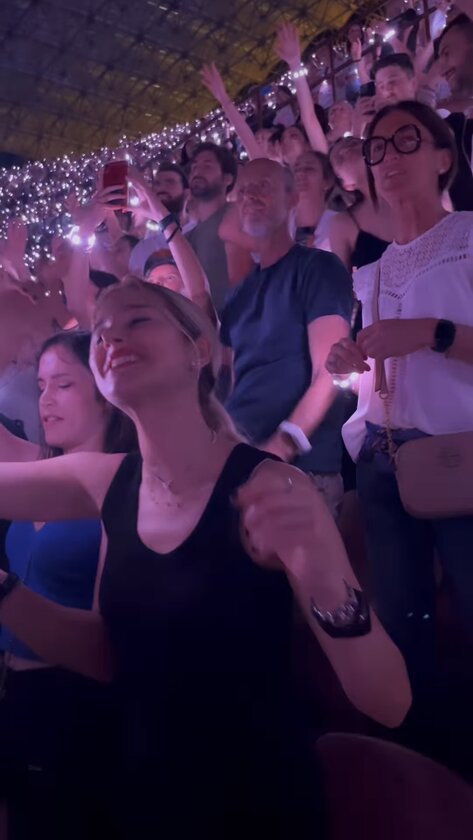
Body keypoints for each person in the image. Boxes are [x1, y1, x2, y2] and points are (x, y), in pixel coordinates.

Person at [0, 279, 411, 837]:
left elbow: (389, 701)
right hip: (145, 800)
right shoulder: (107, 483)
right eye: (100, 333)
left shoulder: (274, 485)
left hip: (257, 805)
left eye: (137, 320)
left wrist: (324, 580)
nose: (111, 339)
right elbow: (109, 656)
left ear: (197, 350)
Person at [326, 101, 473, 736]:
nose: (387, 157)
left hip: (458, 453)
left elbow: (427, 338)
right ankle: (423, 753)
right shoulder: (373, 269)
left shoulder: (468, 237)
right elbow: (373, 373)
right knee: (402, 623)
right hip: (383, 459)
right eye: (377, 149)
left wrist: (432, 332)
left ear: (443, 157)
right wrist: (348, 362)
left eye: (405, 140)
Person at [0, 330, 136, 838]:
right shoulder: (37, 470)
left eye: (62, 384)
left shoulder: (124, 487)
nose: (45, 400)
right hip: (11, 694)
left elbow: (104, 647)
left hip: (69, 703)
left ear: (105, 393)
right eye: (40, 386)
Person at [220, 158, 354, 517]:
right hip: (238, 465)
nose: (250, 196)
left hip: (299, 471)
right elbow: (232, 382)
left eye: (263, 186)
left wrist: (283, 444)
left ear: (293, 197)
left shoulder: (318, 269)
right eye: (243, 191)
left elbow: (331, 372)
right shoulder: (238, 296)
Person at [187, 142, 253, 311]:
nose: (198, 171)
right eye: (194, 167)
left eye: (207, 165)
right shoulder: (187, 238)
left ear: (227, 179)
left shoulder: (242, 215)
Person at [329, 136, 393, 272]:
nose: (345, 149)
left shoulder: (415, 191)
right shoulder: (342, 224)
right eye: (339, 159)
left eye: (353, 143)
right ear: (347, 186)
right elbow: (340, 282)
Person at [128, 162, 190, 276]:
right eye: (157, 184)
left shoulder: (199, 232)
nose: (161, 188)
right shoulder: (143, 248)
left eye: (170, 182)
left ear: (186, 193)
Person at [292, 151, 336, 250]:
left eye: (309, 169)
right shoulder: (279, 224)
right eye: (296, 169)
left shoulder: (339, 225)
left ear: (327, 181)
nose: (300, 173)